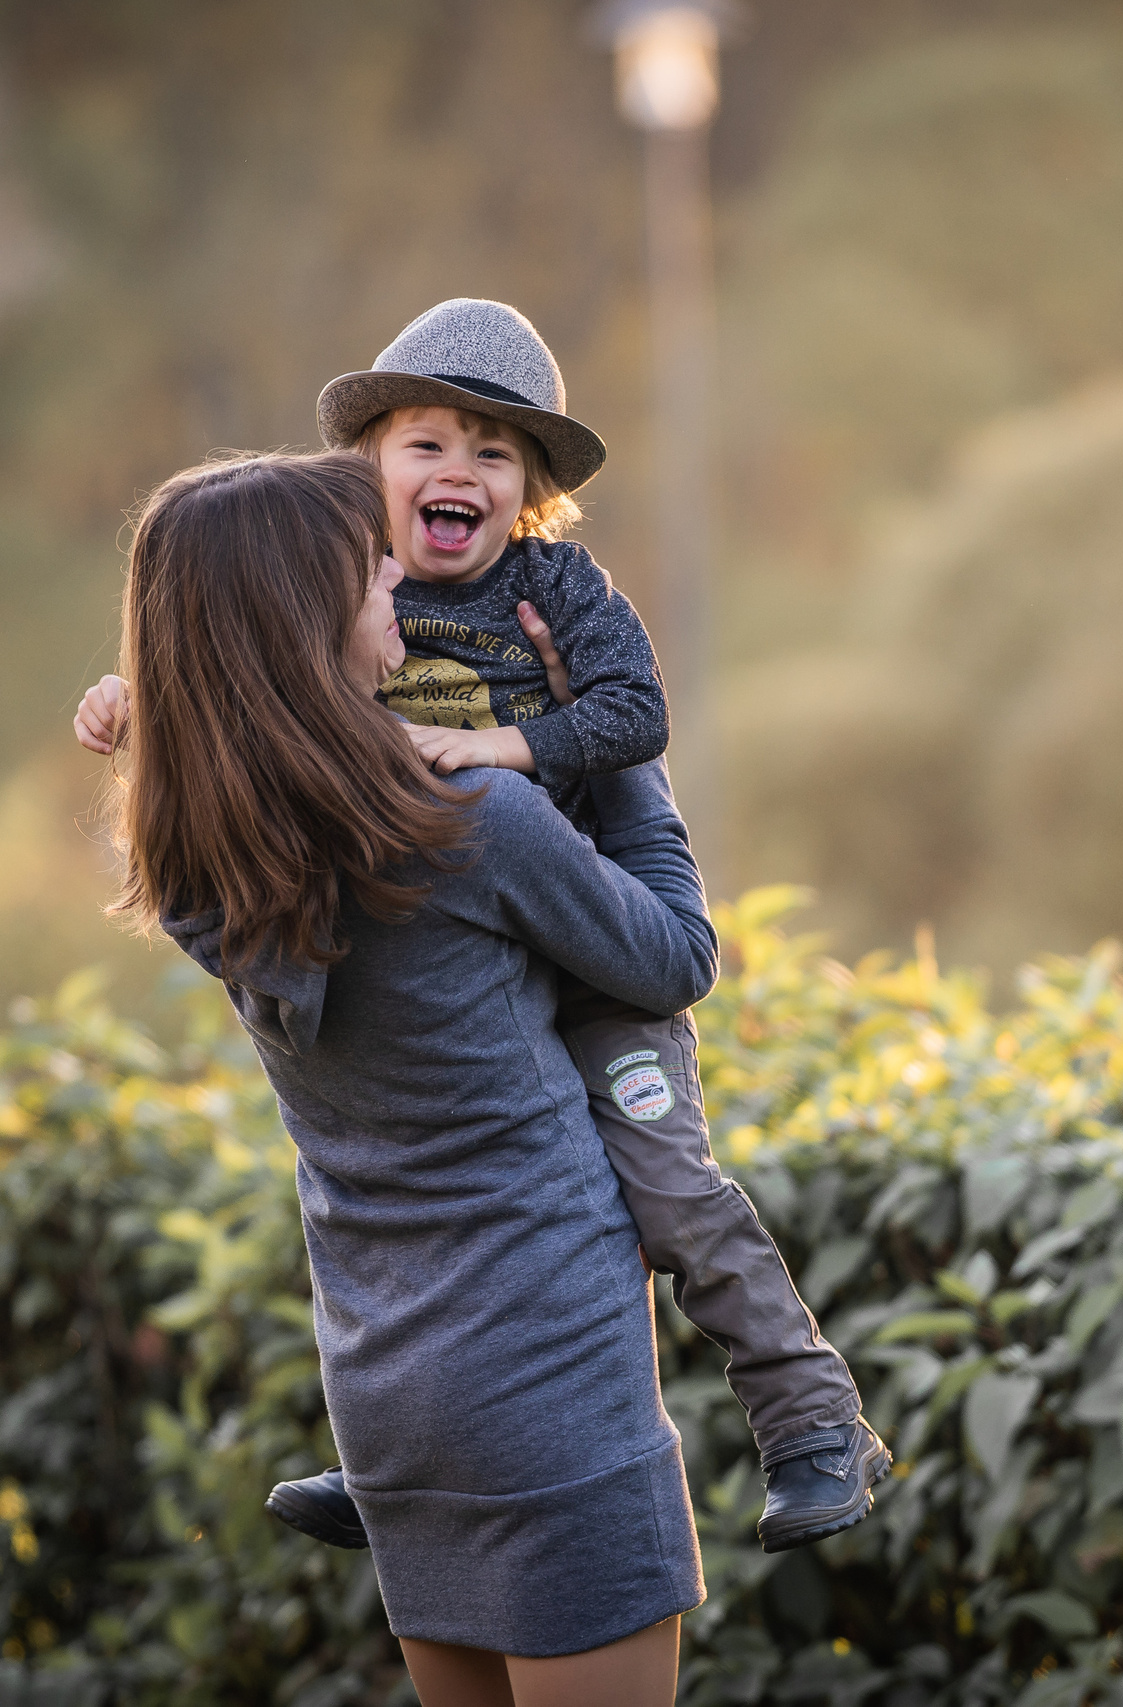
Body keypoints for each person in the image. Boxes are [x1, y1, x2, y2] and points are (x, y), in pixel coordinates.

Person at [76, 299, 887, 1555]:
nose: (458, 474)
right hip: (492, 963)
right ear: (366, 481)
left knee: (670, 1188)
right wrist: (145, 692)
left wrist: (511, 747)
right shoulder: (346, 600)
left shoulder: (556, 593)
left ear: (532, 499)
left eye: (494, 454)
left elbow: (634, 714)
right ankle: (393, 1460)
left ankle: (809, 1415)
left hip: (601, 968)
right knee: (376, 1186)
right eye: (425, 447)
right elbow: (238, 657)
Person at [112, 448, 697, 1703]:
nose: (392, 578)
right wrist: (598, 743)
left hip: (388, 1389)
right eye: (361, 568)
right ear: (307, 619)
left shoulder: (201, 861)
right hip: (551, 1370)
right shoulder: (469, 822)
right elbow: (674, 959)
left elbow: (206, 723)